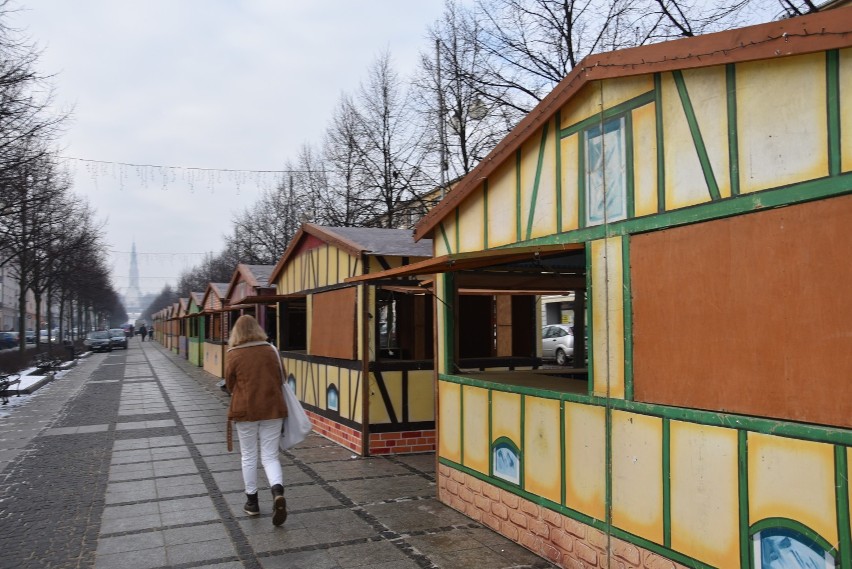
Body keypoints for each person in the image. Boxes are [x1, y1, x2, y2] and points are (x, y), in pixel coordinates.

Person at [225, 314, 288, 525]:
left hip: (246, 411)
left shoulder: (233, 354)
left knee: (249, 456)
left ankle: (252, 503)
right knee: (270, 456)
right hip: (272, 409)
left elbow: (229, 383)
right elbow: (283, 378)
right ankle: (277, 492)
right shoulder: (272, 350)